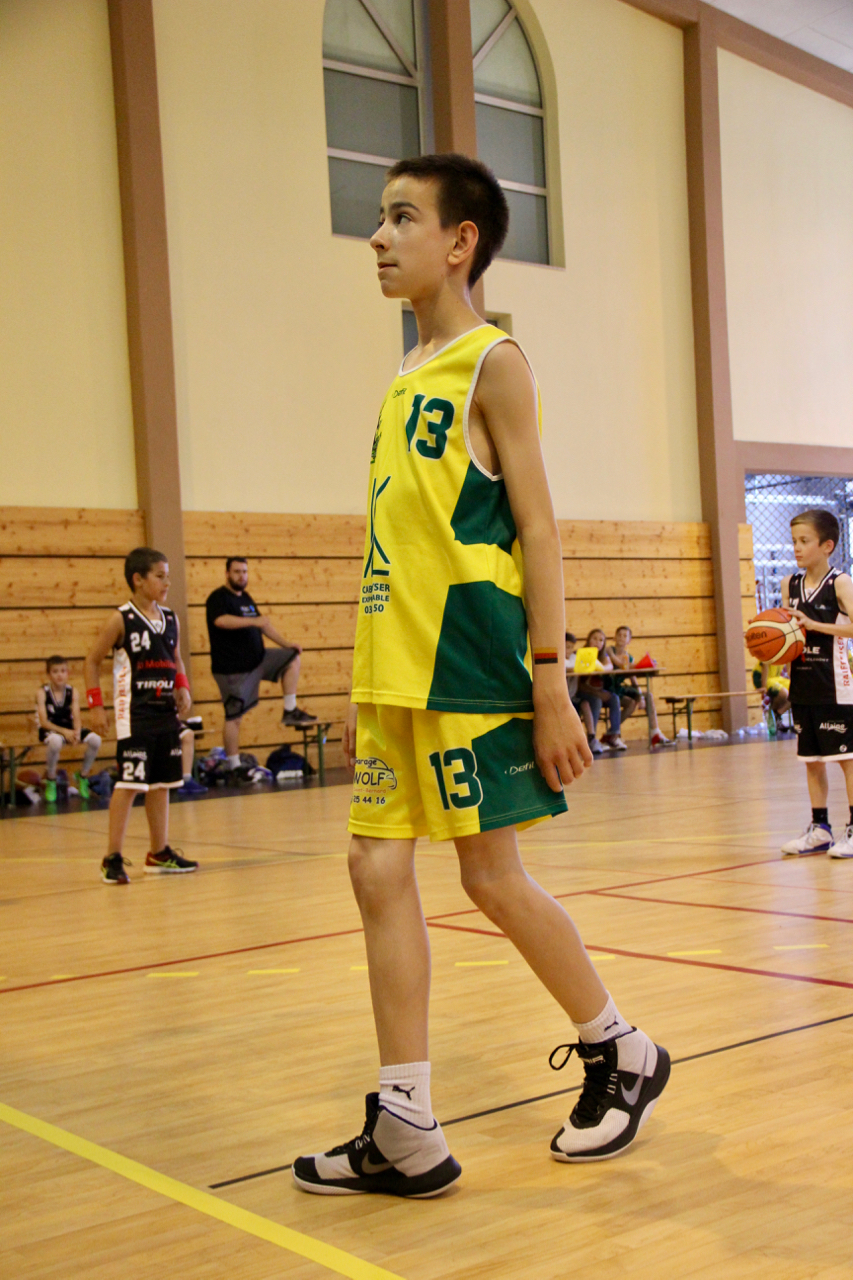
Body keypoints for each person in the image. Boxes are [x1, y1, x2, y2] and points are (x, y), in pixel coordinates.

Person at [292, 153, 669, 1199]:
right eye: (379, 218)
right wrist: (366, 668)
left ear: (459, 241)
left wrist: (551, 679)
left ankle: (620, 1048)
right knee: (374, 872)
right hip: (393, 666)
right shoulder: (403, 373)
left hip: (466, 657)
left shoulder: (491, 362)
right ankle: (405, 1122)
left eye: (400, 217)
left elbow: (538, 526)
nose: (378, 237)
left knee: (489, 877)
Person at [85, 547, 199, 884]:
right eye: (160, 576)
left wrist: (182, 685)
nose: (167, 583)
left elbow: (175, 657)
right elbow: (92, 661)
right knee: (130, 783)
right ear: (138, 579)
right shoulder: (121, 619)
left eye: (168, 576)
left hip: (165, 712)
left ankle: (158, 852)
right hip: (133, 714)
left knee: (161, 784)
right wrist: (95, 705)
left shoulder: (171, 618)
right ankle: (111, 857)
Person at [775, 509, 853, 858]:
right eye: (794, 541)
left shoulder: (840, 583)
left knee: (847, 759)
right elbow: (786, 633)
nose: (796, 547)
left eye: (804, 541)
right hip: (802, 684)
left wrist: (815, 625)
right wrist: (770, 640)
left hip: (835, 685)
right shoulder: (789, 584)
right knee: (812, 759)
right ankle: (820, 829)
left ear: (827, 545)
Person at [205, 557, 316, 780]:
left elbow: (263, 625)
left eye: (245, 571)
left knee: (291, 659)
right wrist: (253, 622)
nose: (241, 576)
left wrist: (286, 644)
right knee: (234, 716)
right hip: (233, 669)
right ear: (227, 573)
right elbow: (221, 621)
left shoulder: (246, 599)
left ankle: (290, 709)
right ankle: (234, 765)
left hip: (258, 660)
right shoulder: (218, 598)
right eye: (237, 571)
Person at [35, 655, 101, 802]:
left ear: (67, 673)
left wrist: (76, 732)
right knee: (56, 742)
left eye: (63, 671)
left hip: (68, 727)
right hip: (50, 728)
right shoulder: (42, 692)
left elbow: (76, 716)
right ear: (48, 674)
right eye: (55, 671)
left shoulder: (73, 691)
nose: (59, 675)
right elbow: (44, 722)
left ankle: (83, 776)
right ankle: (51, 779)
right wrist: (65, 732)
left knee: (96, 740)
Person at [608, 626, 672, 747]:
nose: (621, 637)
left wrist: (641, 696)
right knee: (632, 703)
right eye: (619, 635)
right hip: (609, 687)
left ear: (629, 640)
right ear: (614, 637)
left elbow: (633, 678)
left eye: (625, 636)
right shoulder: (609, 650)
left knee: (648, 696)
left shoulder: (629, 657)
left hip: (620, 688)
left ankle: (655, 732)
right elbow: (619, 663)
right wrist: (633, 665)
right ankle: (611, 733)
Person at [575, 628, 627, 752]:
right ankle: (591, 738)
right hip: (583, 692)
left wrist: (601, 667)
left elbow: (609, 666)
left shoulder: (603, 656)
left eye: (601, 640)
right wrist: (597, 693)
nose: (597, 642)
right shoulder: (581, 654)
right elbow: (579, 685)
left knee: (614, 698)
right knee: (596, 700)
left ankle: (613, 735)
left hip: (597, 692)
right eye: (594, 639)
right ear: (588, 640)